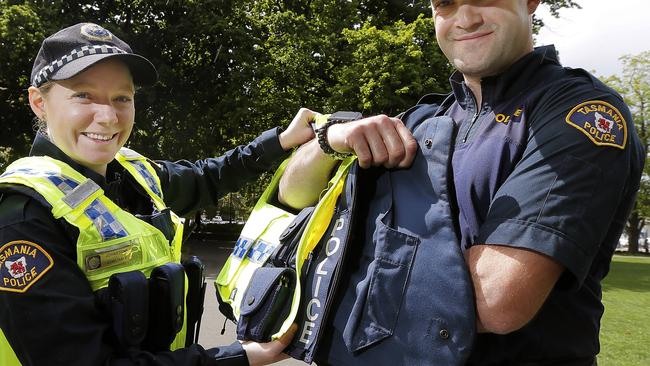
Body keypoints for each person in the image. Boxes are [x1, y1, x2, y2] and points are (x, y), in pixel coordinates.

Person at [278, 0, 645, 365]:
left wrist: (330, 273)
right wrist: (330, 139)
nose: (466, 19)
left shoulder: (581, 112)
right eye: (446, 4)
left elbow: (496, 301)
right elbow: (291, 196)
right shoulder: (423, 119)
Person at [0, 22, 315, 366]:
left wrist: (282, 140)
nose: (107, 117)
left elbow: (207, 176)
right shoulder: (23, 217)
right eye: (83, 95)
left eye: (122, 98)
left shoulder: (137, 174)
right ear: (38, 102)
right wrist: (235, 358)